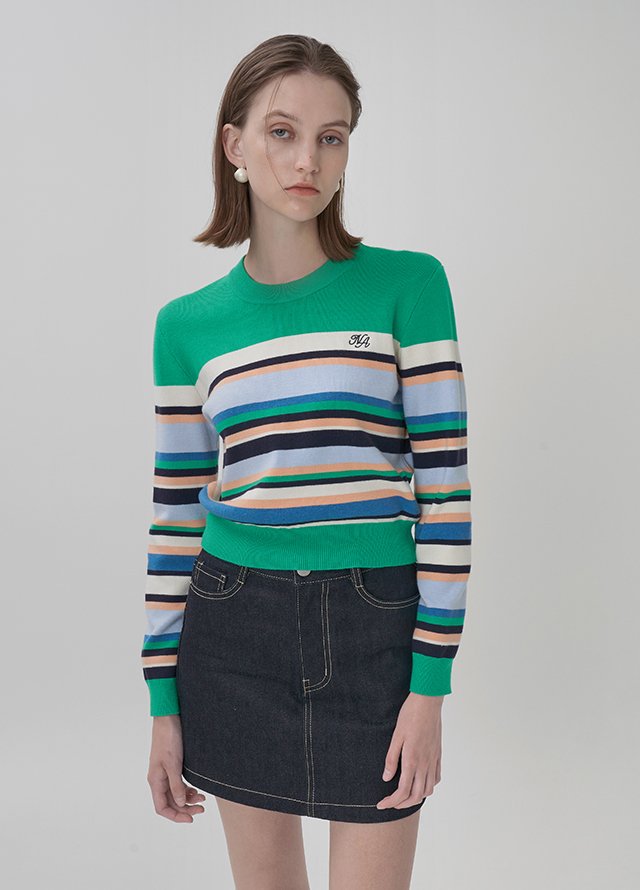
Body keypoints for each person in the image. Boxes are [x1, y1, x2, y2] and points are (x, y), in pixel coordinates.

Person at [142, 34, 471, 890]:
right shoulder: (186, 326)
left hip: (375, 627)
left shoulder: (408, 286)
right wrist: (163, 705)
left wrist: (430, 689)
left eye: (332, 137)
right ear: (234, 145)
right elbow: (176, 517)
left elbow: (446, 494)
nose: (308, 160)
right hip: (231, 630)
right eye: (282, 132)